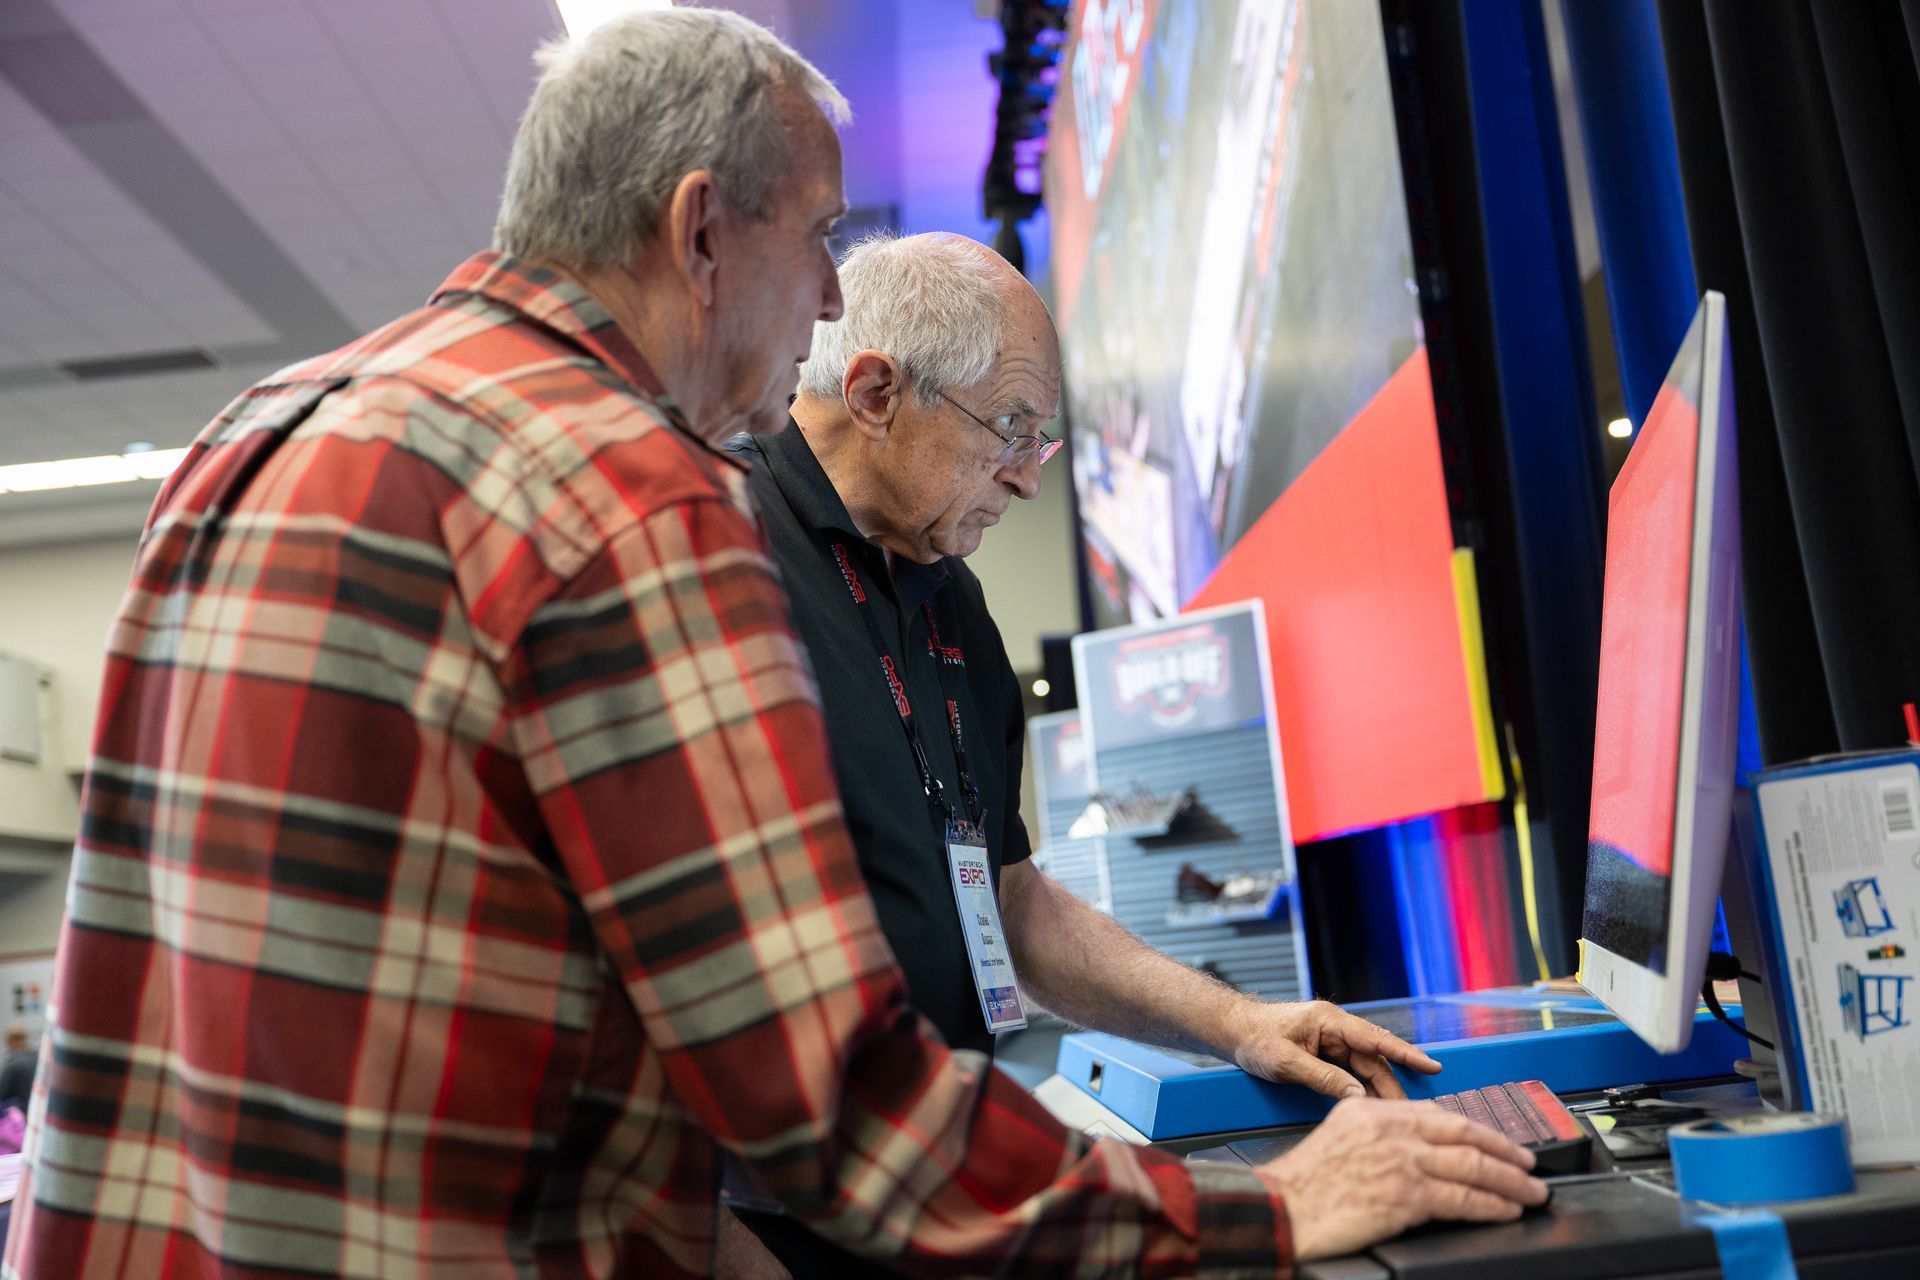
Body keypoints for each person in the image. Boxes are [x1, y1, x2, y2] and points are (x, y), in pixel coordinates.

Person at [5, 12, 1544, 1279]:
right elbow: (830, 1106)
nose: (821, 304)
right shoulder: (638, 501)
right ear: (697, 232)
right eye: (817, 243)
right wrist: (1268, 1213)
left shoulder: (250, 433)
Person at [722, 232, 1509, 1275]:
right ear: (873, 391)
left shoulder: (949, 596)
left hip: (927, 1191)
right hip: (772, 1219)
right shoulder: (718, 556)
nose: (1028, 479)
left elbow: (1007, 894)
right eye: (1010, 429)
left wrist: (1240, 1021)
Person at [0, 1024, 32, 1113]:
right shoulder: (38, 1060)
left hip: (19, 1121)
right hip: (39, 1117)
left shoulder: (12, 1065)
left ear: (10, 1041)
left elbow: (2, 1095)